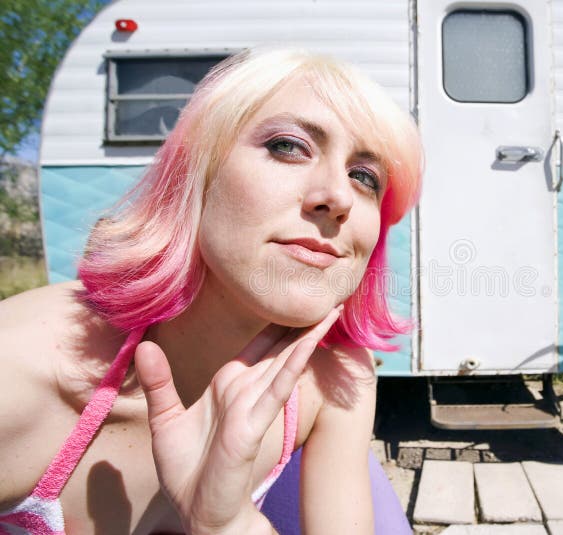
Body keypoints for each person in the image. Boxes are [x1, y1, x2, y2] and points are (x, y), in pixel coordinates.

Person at [0, 48, 423, 534]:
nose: (339, 196)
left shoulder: (338, 373)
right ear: (197, 171)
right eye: (289, 146)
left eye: (364, 177)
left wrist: (228, 525)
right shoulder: (17, 373)